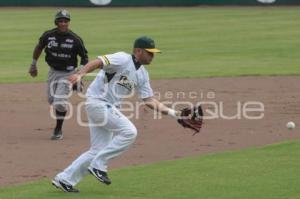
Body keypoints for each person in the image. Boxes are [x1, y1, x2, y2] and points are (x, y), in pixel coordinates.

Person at [51, 36, 181, 193]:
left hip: (106, 107)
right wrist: (81, 74)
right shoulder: (122, 58)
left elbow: (149, 100)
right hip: (98, 103)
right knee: (129, 132)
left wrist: (175, 114)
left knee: (98, 149)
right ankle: (99, 165)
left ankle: (64, 179)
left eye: (153, 53)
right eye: (149, 52)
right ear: (138, 51)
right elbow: (98, 62)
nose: (152, 56)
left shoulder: (143, 74)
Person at [28, 9, 88, 140]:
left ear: (69, 22)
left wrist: (79, 73)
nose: (63, 23)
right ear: (56, 22)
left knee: (59, 102)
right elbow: (39, 48)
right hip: (53, 72)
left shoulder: (75, 39)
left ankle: (58, 130)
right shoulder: (48, 35)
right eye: (60, 21)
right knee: (52, 100)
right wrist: (33, 64)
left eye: (65, 21)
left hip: (68, 73)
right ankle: (76, 86)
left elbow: (84, 57)